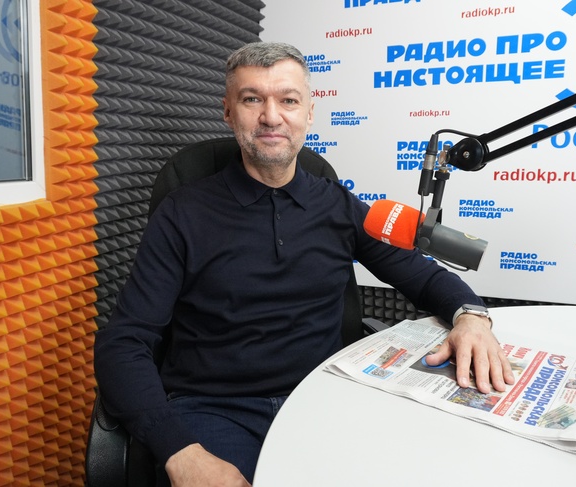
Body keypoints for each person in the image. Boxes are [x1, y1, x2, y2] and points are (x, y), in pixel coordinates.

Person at [94, 41, 514, 487]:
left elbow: (421, 275)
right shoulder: (182, 213)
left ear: (309, 114)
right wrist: (180, 452)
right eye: (252, 99)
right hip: (215, 410)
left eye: (288, 100)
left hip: (322, 396)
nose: (271, 116)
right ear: (228, 112)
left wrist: (471, 317)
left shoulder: (339, 205)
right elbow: (124, 343)